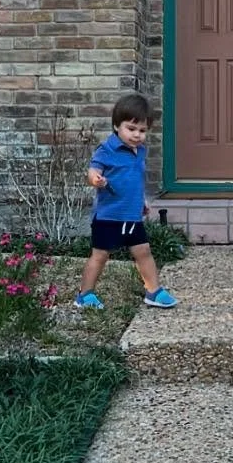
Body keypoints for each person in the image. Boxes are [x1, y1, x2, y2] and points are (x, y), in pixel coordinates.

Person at [74, 92, 178, 311]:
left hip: (131, 215)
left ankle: (153, 291)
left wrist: (141, 200)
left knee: (143, 251)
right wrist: (96, 179)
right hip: (108, 216)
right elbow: (93, 170)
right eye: (131, 129)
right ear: (116, 126)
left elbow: (134, 179)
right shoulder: (107, 149)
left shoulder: (140, 152)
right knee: (100, 255)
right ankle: (85, 295)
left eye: (142, 131)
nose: (136, 135)